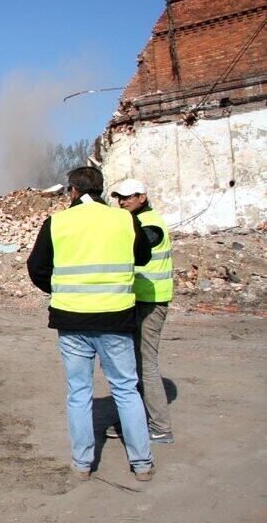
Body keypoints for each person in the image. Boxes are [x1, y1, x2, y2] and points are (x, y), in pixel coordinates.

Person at [27, 166, 155, 482]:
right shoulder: (124, 219)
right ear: (101, 189)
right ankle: (141, 464)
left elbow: (37, 268)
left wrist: (60, 289)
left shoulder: (57, 223)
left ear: (72, 191)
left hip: (71, 320)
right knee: (126, 389)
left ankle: (83, 464)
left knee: (79, 393)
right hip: (116, 318)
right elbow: (143, 257)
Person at [109, 178, 174, 444]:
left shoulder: (150, 225)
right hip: (138, 301)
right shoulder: (137, 222)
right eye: (119, 198)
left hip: (150, 302)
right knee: (131, 363)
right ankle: (131, 420)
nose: (122, 202)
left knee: (145, 364)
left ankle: (160, 426)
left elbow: (132, 250)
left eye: (128, 197)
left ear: (142, 197)